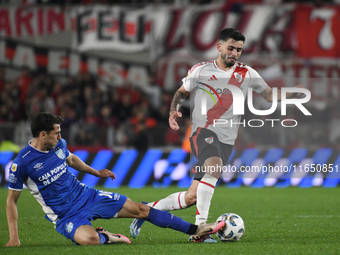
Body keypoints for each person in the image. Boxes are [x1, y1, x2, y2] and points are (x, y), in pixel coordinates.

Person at [130, 28, 306, 242]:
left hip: (227, 140)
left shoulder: (247, 74)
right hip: (202, 132)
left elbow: (269, 95)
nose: (234, 53)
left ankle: (146, 210)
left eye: (239, 50)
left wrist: (290, 93)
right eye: (230, 48)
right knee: (213, 166)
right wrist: (173, 110)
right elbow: (181, 92)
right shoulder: (201, 70)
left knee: (192, 196)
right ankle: (200, 230)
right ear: (219, 47)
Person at [5, 112, 225, 247]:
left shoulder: (59, 145)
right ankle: (107, 237)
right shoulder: (22, 163)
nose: (61, 137)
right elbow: (11, 201)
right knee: (89, 240)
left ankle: (195, 230)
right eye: (56, 133)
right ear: (42, 135)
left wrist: (96, 172)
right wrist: (14, 237)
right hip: (64, 214)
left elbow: (71, 159)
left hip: (87, 195)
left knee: (140, 209)